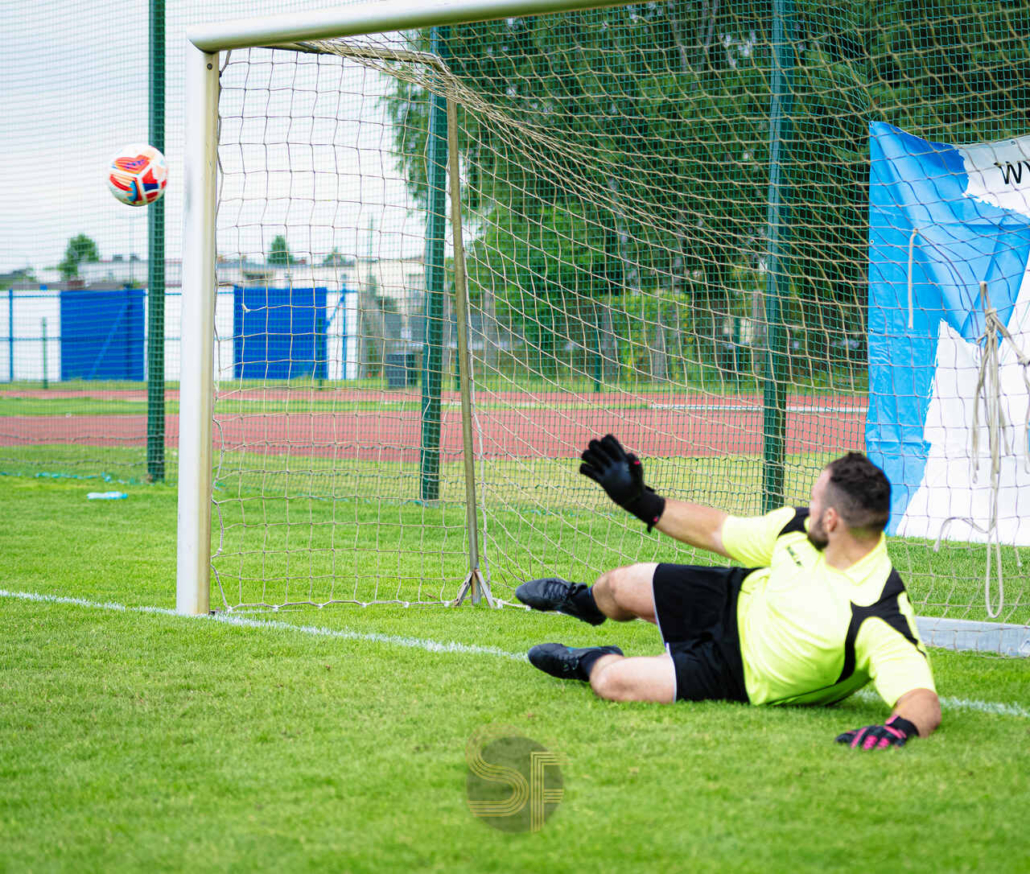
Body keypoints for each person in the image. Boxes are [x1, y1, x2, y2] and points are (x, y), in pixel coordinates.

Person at [518, 435, 941, 751]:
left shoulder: (879, 612)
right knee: (619, 583)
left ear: (831, 520)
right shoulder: (797, 528)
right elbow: (719, 530)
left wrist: (898, 729)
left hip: (737, 673)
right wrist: (639, 500)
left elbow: (920, 698)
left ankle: (587, 659)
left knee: (612, 681)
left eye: (814, 502)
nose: (807, 507)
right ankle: (582, 602)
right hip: (730, 599)